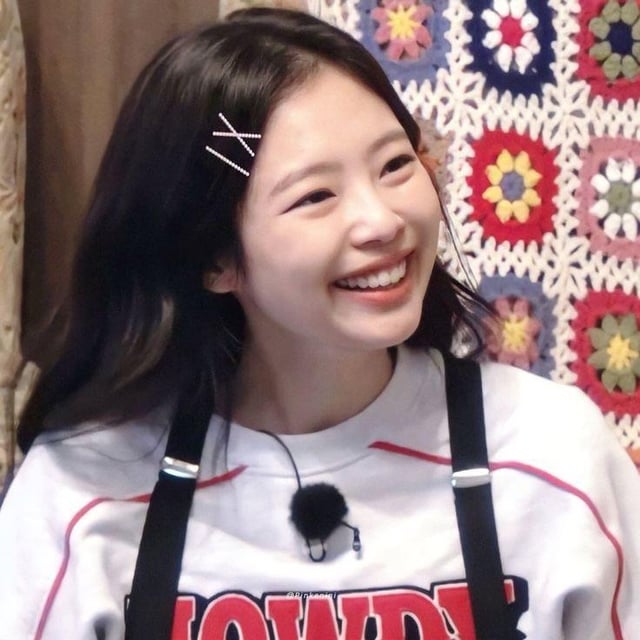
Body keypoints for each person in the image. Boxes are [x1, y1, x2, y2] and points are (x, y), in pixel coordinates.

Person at [0, 7, 638, 639]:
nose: (382, 222)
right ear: (213, 257)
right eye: (315, 196)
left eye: (395, 165)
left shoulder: (552, 456)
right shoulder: (82, 495)